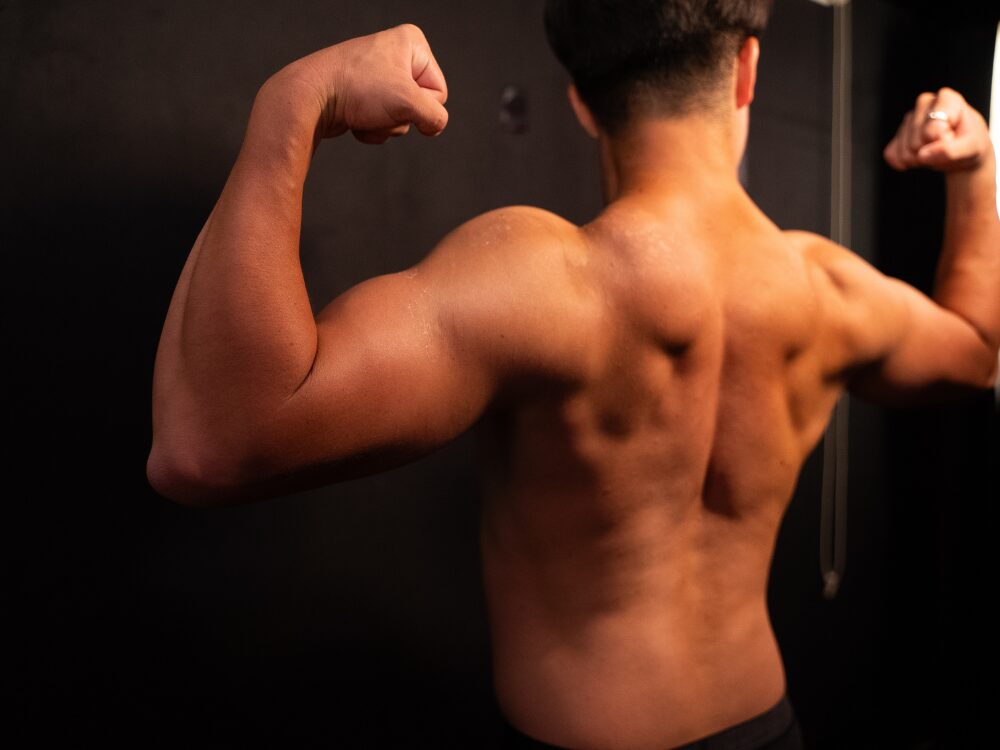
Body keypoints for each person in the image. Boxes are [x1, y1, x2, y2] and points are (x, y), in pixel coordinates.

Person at [147, 1, 1000, 748]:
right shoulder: (827, 289)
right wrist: (975, 171)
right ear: (747, 70)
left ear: (582, 103)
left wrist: (293, 101)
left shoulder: (545, 282)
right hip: (767, 726)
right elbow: (976, 351)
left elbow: (211, 442)